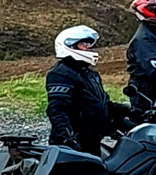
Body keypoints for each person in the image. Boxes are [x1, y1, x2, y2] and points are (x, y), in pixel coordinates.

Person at [43, 26, 134, 155]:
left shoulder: (89, 73)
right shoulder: (61, 74)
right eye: (83, 44)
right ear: (70, 46)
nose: (88, 47)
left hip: (92, 140)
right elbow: (57, 110)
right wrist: (68, 139)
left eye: (88, 44)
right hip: (74, 144)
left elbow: (101, 103)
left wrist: (129, 111)